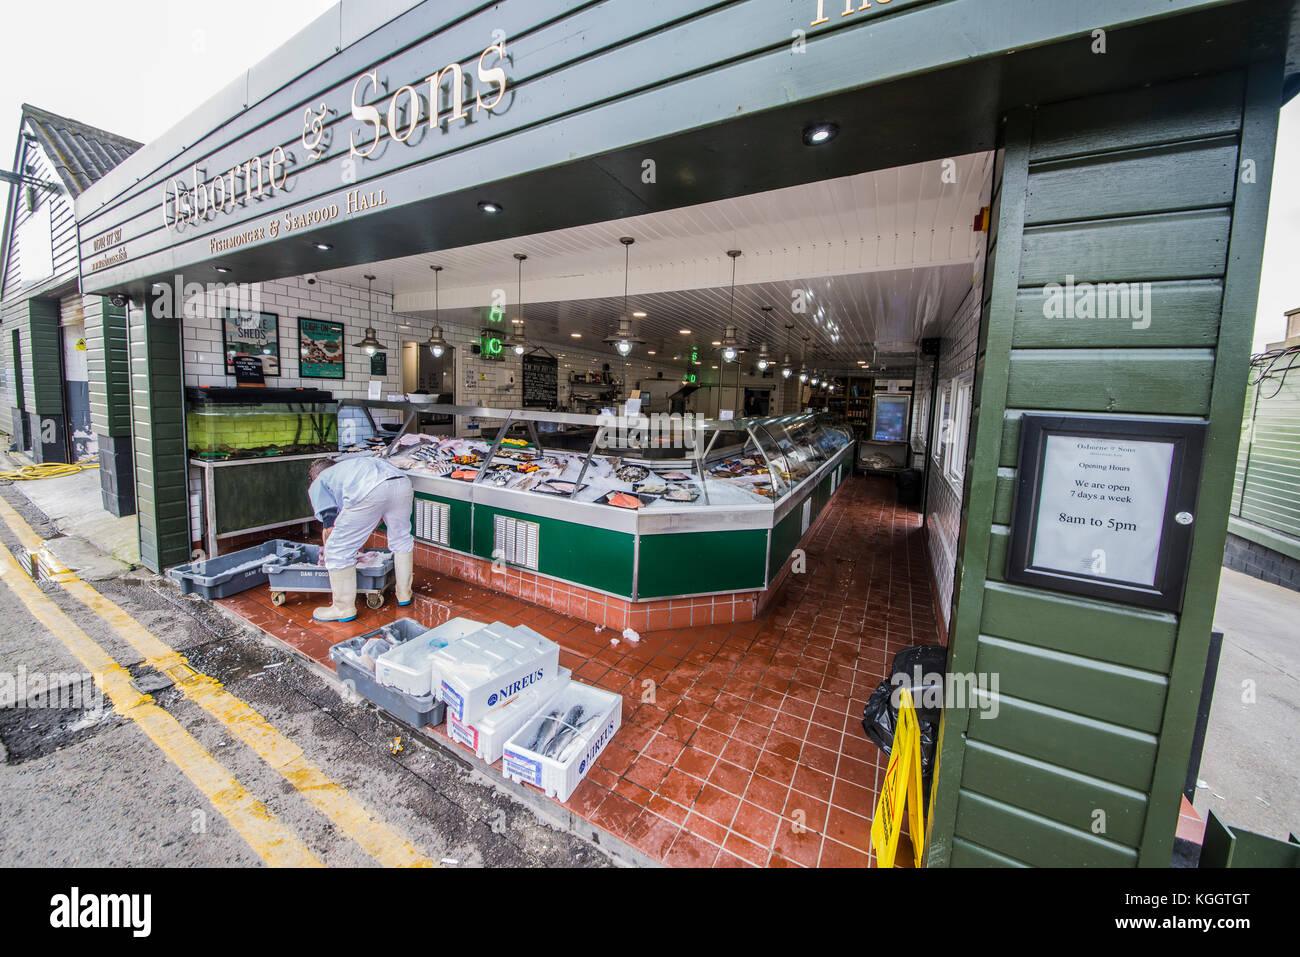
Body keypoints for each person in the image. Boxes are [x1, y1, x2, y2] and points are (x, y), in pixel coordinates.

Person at [306, 456, 415, 622]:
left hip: (371, 490)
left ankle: (343, 608)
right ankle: (404, 594)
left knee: (337, 550)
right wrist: (357, 538)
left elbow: (330, 526)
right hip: (401, 483)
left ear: (315, 477)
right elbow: (373, 516)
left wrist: (328, 554)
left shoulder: (320, 481)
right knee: (401, 539)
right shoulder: (354, 465)